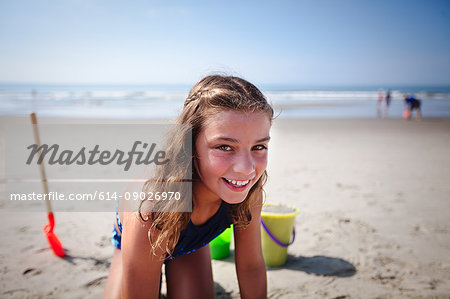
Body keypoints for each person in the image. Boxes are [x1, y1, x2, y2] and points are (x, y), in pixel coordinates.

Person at [102, 75, 273, 298]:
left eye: (259, 146)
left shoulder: (249, 191)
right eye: (224, 147)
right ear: (189, 143)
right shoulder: (150, 208)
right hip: (143, 233)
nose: (246, 169)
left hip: (190, 242)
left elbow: (251, 267)